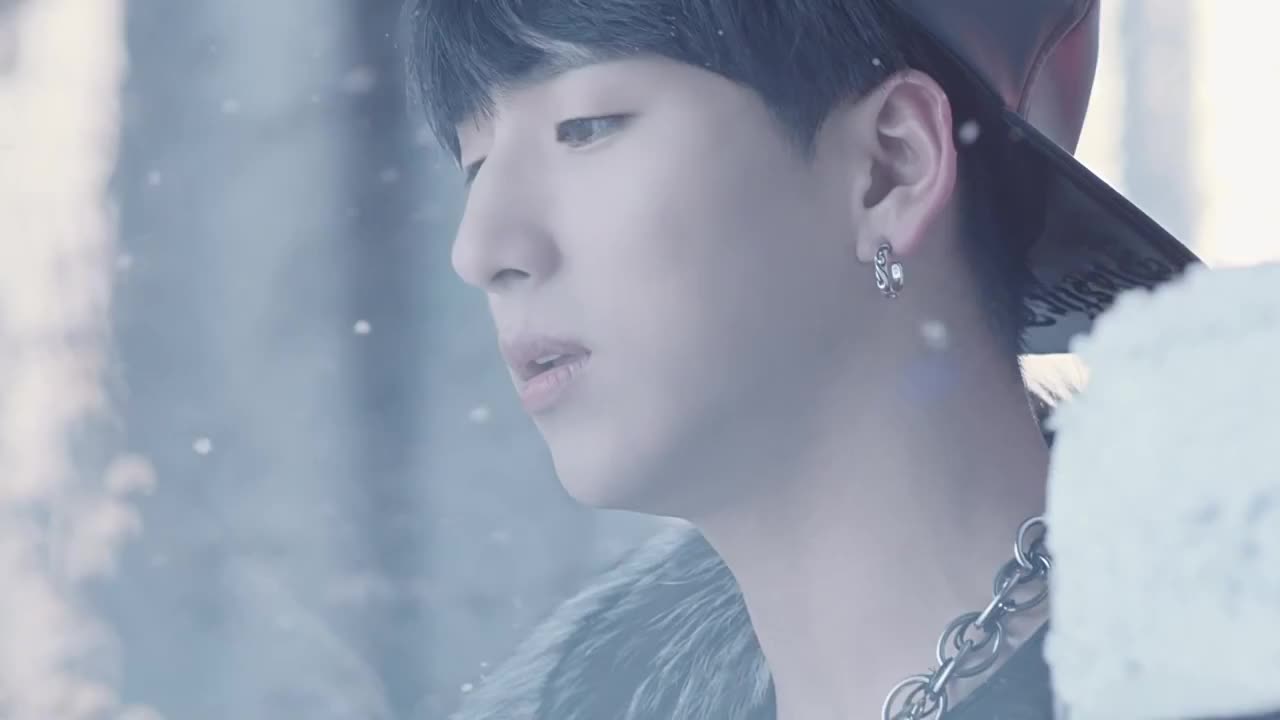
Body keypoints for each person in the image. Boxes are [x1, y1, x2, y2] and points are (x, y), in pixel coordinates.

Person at [404, 0, 1201, 717]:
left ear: (889, 168)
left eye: (585, 128)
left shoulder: (1216, 673)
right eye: (476, 167)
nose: (478, 249)